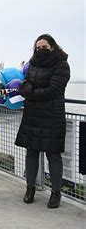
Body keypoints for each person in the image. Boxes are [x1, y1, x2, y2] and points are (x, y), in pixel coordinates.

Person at [15, 34, 70, 208]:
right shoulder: (33, 64)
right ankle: (29, 188)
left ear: (53, 47)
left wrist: (30, 93)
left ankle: (55, 193)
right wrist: (26, 86)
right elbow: (29, 82)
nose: (40, 50)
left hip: (52, 116)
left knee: (53, 155)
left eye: (44, 47)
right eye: (38, 47)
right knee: (31, 152)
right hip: (32, 115)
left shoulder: (62, 65)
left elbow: (54, 90)